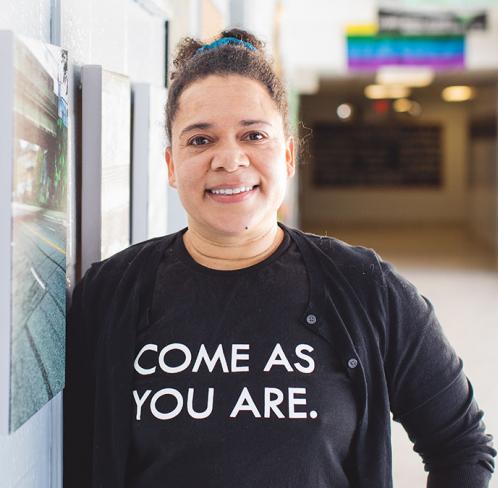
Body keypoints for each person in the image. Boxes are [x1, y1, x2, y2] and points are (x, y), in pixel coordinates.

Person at [63, 29, 496, 488]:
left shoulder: (366, 289)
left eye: (253, 134)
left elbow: (462, 446)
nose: (229, 159)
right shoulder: (110, 294)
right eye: (200, 141)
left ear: (288, 155)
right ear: (171, 165)